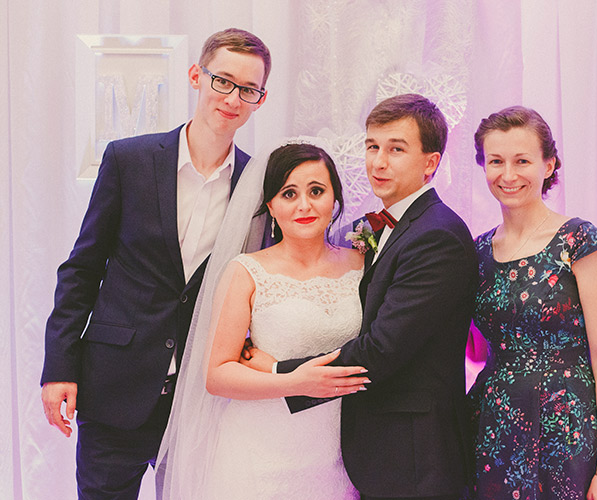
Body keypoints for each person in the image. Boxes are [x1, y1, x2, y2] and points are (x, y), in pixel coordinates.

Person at [40, 28, 271, 499]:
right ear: (196, 76)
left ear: (260, 100)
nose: (233, 98)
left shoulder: (259, 183)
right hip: (114, 388)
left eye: (248, 89)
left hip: (199, 401)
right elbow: (82, 269)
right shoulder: (128, 159)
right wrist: (59, 366)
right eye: (223, 81)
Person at [255, 94, 479, 500]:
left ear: (430, 162)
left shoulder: (437, 236)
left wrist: (280, 372)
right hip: (378, 448)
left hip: (416, 456)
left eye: (396, 149)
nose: (378, 162)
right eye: (372, 146)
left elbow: (382, 349)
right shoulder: (378, 227)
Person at [159, 142, 370, 499]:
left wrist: (272, 365)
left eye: (316, 191)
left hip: (339, 451)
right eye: (289, 193)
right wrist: (292, 380)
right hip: (260, 452)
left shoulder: (363, 265)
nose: (304, 205)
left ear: (334, 198)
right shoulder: (246, 271)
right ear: (271, 205)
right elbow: (217, 374)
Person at [468, 106, 597, 500]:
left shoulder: (578, 240)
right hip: (495, 428)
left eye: (522, 161)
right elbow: (477, 350)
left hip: (567, 430)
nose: (508, 175)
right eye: (496, 161)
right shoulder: (478, 250)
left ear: (548, 164)